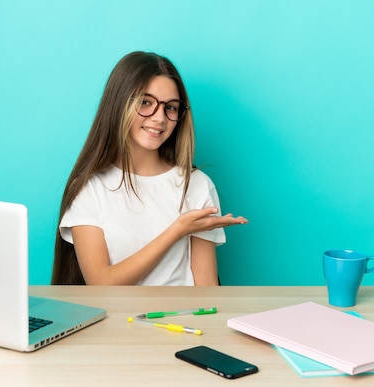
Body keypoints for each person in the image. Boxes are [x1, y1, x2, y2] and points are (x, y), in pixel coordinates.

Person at [51, 51, 247, 286]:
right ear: (119, 104)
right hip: (117, 321)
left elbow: (207, 289)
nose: (159, 118)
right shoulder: (89, 188)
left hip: (183, 320)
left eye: (171, 108)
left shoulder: (197, 184)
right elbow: (101, 284)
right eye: (146, 102)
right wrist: (176, 231)